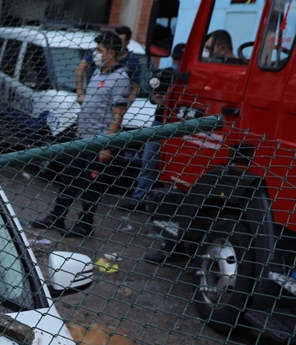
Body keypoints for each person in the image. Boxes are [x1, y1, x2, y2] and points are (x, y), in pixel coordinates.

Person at [32, 31, 132, 238]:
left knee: (90, 186)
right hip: (81, 139)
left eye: (100, 50)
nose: (95, 54)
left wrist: (107, 145)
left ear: (111, 53)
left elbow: (117, 115)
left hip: (98, 142)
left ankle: (85, 224)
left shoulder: (120, 78)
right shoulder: (98, 72)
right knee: (68, 178)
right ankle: (57, 217)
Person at [127, 43, 184, 210]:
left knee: (173, 167)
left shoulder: (189, 77)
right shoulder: (166, 73)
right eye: (176, 59)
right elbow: (154, 97)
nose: (177, 62)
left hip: (178, 125)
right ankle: (138, 200)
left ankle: (166, 205)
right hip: (160, 121)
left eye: (179, 60)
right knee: (149, 162)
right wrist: (162, 99)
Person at [75, 24, 141, 107]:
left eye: (120, 41)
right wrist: (80, 93)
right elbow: (81, 66)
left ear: (127, 43)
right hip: (94, 101)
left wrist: (125, 105)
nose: (116, 43)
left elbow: (135, 86)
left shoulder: (133, 61)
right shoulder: (99, 55)